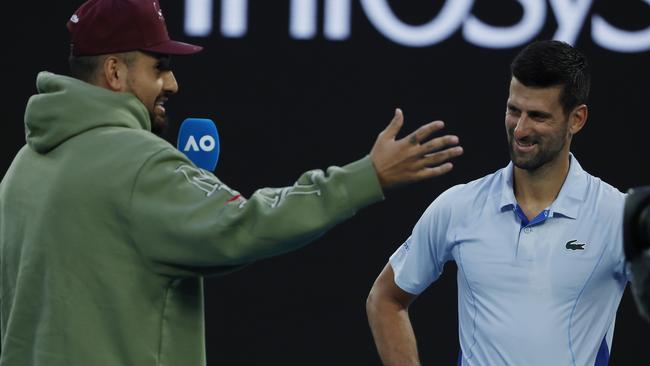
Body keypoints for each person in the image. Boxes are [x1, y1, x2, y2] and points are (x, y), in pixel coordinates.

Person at [0, 0, 463, 365]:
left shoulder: (23, 168)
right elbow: (247, 225)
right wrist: (366, 177)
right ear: (116, 72)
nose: (173, 83)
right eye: (158, 66)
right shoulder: (138, 164)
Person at [366, 40, 628, 366]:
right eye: (513, 110)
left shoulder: (619, 217)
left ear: (576, 119)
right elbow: (385, 298)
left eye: (537, 116)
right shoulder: (458, 207)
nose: (520, 129)